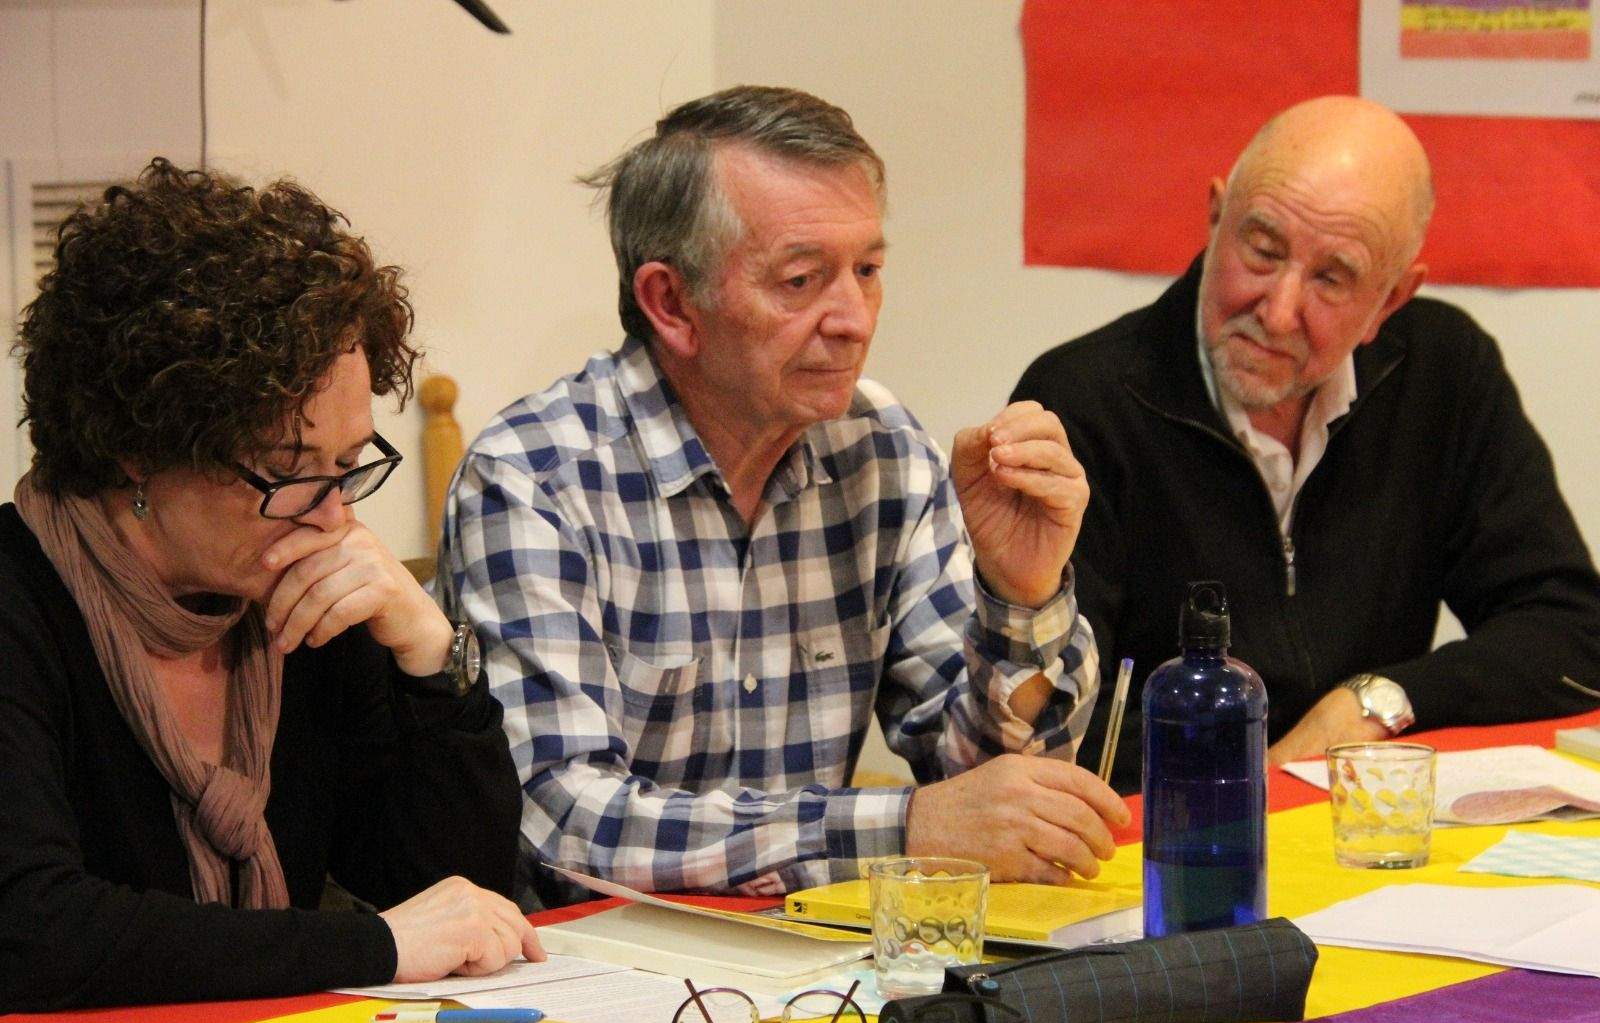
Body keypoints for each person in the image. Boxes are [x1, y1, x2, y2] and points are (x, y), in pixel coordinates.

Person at [439, 86, 1129, 906]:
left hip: (816, 954)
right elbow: (564, 822)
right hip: (589, 970)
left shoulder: (880, 447)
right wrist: (900, 832)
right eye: (802, 280)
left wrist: (1021, 598)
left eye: (867, 271)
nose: (853, 320)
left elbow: (996, 798)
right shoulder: (535, 477)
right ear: (672, 303)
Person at [0, 160, 544, 1013]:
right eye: (291, 472)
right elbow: (33, 932)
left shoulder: (304, 597)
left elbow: (460, 893)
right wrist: (377, 945)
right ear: (139, 448)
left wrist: (430, 653)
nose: (332, 516)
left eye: (349, 467)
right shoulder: (19, 606)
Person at [1014, 96, 1600, 792]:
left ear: (1390, 300)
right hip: (1175, 843)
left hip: (1366, 831)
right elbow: (1058, 733)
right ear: (1214, 217)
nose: (1278, 310)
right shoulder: (1084, 401)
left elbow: (1570, 634)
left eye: (1331, 278)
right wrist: (1257, 771)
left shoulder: (1445, 371)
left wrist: (1372, 705)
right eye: (1261, 251)